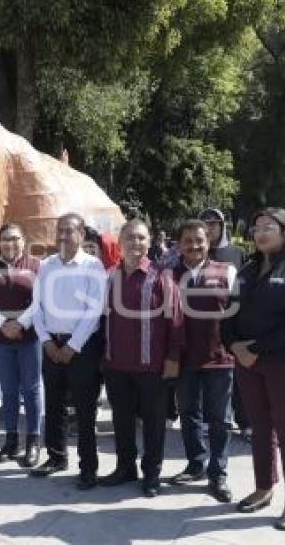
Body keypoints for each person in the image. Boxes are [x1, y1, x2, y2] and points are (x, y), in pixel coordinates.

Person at [222, 208, 285, 531]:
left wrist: (253, 349)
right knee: (260, 429)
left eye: (269, 227)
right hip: (248, 363)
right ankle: (264, 488)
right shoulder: (247, 270)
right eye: (256, 227)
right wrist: (233, 344)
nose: (261, 232)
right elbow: (229, 314)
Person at [100, 219, 184, 498]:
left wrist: (173, 358)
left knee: (154, 421)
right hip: (116, 363)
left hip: (153, 366)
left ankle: (152, 474)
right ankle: (125, 467)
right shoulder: (109, 276)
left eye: (141, 238)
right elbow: (101, 319)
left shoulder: (163, 277)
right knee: (122, 420)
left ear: (150, 242)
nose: (136, 243)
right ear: (120, 242)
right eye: (130, 238)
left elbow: (175, 320)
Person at [31, 214, 107, 490]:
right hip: (51, 344)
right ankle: (56, 457)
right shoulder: (46, 266)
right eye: (59, 231)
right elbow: (36, 307)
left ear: (82, 233)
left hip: (82, 348)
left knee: (85, 411)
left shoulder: (93, 266)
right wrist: (47, 342)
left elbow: (94, 311)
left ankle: (88, 467)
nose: (62, 236)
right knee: (54, 406)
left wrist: (72, 347)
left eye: (69, 231)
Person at [169, 220, 236, 503]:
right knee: (188, 414)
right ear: (179, 244)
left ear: (209, 242)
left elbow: (237, 316)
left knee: (219, 419)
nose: (194, 246)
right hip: (184, 360)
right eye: (188, 241)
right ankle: (196, 463)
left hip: (219, 359)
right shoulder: (168, 275)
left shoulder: (227, 272)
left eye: (200, 240)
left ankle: (218, 473)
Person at [0, 223, 41, 467]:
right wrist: (3, 324)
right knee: (9, 390)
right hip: (1, 340)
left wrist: (21, 324)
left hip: (30, 339)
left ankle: (33, 441)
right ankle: (11, 441)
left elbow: (39, 301)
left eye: (14, 238)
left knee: (32, 390)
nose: (10, 243)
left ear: (23, 240)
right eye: (5, 239)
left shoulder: (36, 266)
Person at [199, 208, 250, 439]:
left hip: (234, 324)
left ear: (222, 226)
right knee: (209, 379)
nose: (209, 228)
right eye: (205, 224)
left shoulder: (237, 253)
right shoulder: (195, 253)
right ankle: (210, 420)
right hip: (203, 326)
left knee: (239, 380)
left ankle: (245, 421)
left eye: (213, 224)